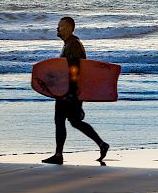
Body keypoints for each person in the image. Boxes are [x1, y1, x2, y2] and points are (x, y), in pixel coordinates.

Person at [42, 16, 109, 165]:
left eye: (60, 26)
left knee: (62, 120)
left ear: (68, 28)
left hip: (69, 91)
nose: (57, 28)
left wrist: (71, 93)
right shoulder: (70, 43)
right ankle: (101, 144)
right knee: (74, 121)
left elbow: (74, 69)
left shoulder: (73, 44)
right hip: (69, 90)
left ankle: (59, 155)